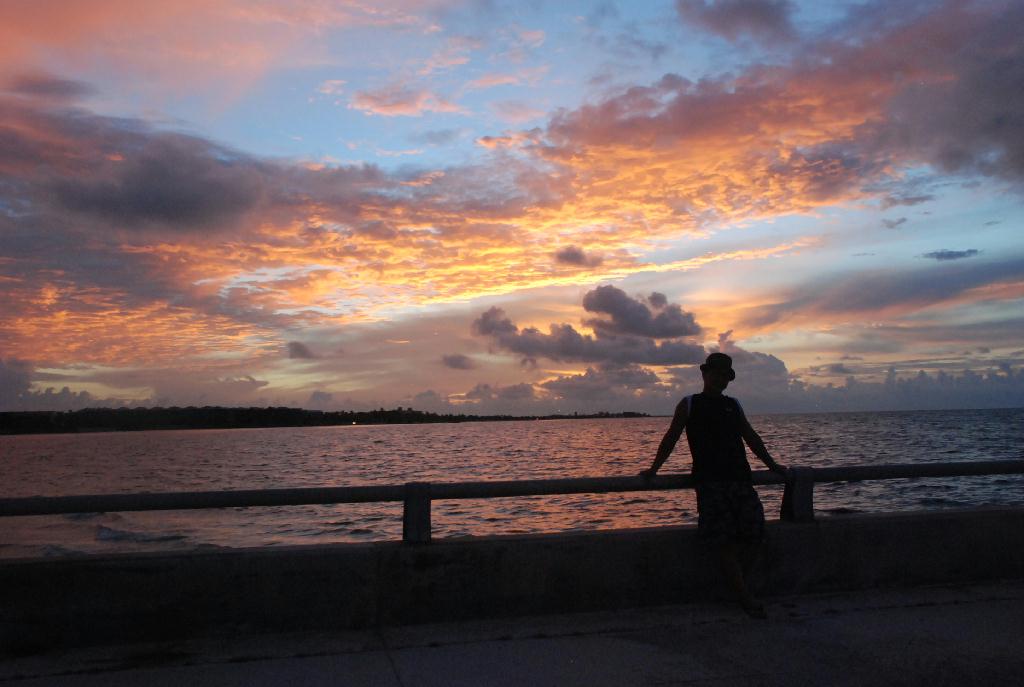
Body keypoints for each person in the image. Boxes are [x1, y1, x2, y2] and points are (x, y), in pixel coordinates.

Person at [640, 352, 787, 618]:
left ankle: (737, 586)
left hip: (740, 479)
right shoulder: (689, 404)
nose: (720, 379)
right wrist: (654, 469)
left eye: (724, 376)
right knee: (724, 543)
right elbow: (670, 438)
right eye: (715, 374)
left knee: (756, 533)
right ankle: (743, 596)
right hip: (710, 483)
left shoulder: (734, 405)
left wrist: (773, 466)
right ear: (705, 374)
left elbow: (751, 437)